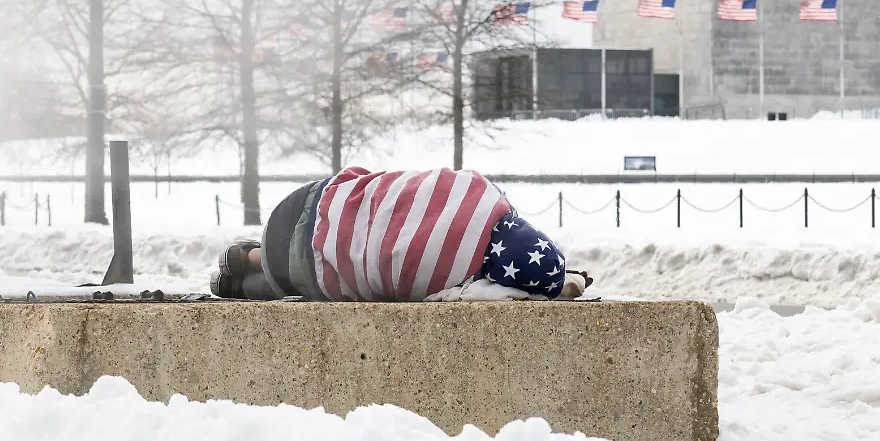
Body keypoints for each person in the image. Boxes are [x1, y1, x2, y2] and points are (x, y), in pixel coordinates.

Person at [210, 166, 593, 301]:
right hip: (306, 272)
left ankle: (250, 256)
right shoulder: (461, 280)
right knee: (305, 274)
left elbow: (404, 188)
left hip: (307, 205)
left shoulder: (478, 191)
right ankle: (244, 285)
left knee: (358, 219)